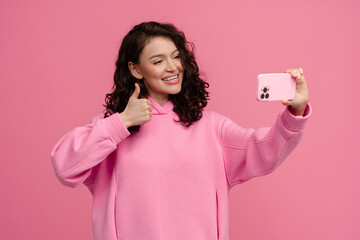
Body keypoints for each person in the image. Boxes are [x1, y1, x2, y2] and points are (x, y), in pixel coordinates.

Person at [51, 21, 311, 240]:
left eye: (176, 57)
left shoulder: (211, 127)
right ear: (135, 69)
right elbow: (65, 167)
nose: (172, 67)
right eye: (158, 60)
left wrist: (294, 113)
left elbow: (265, 149)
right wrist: (121, 122)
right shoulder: (112, 128)